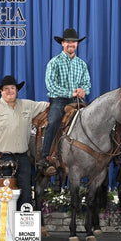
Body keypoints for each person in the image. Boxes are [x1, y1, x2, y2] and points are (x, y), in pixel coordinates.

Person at [0, 75, 49, 210]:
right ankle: (3, 229)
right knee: (4, 193)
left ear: (17, 90)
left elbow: (48, 106)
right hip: (1, 157)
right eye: (6, 89)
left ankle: (21, 229)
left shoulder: (28, 105)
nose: (10, 91)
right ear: (1, 91)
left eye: (12, 88)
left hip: (22, 157)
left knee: (26, 192)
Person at [39, 28, 91, 175]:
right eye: (68, 41)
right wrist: (70, 92)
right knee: (54, 121)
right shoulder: (54, 63)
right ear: (62, 43)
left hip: (77, 100)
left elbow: (87, 83)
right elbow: (51, 85)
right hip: (59, 100)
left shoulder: (81, 64)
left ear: (77, 44)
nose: (71, 44)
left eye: (73, 42)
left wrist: (82, 90)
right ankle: (45, 156)